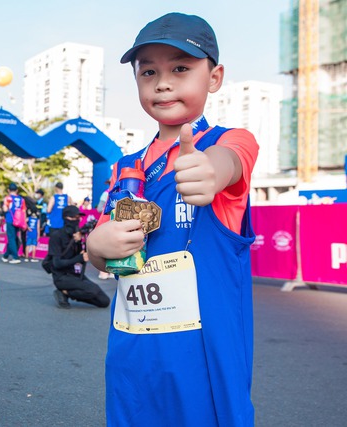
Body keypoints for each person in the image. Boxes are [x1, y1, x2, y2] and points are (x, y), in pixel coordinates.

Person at [86, 13, 259, 426]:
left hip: (202, 358)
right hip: (132, 351)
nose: (163, 82)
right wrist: (98, 247)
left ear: (214, 77)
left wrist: (210, 172)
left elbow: (228, 164)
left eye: (180, 68)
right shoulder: (124, 168)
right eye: (149, 71)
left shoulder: (230, 142)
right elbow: (98, 250)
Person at [49, 205, 110, 309]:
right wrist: (79, 258)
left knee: (104, 301)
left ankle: (68, 292)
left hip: (76, 274)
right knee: (92, 290)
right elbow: (57, 263)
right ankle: (64, 292)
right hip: (62, 277)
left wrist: (80, 242)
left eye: (78, 217)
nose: (77, 220)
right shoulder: (56, 236)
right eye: (74, 217)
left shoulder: (77, 235)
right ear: (66, 218)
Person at [2, 182, 25, 264]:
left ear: (8, 190)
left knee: (11, 238)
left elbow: (5, 209)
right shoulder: (22, 199)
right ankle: (5, 255)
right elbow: (23, 211)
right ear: (17, 190)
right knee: (14, 237)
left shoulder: (8, 198)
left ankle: (15, 257)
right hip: (19, 221)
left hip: (10, 220)